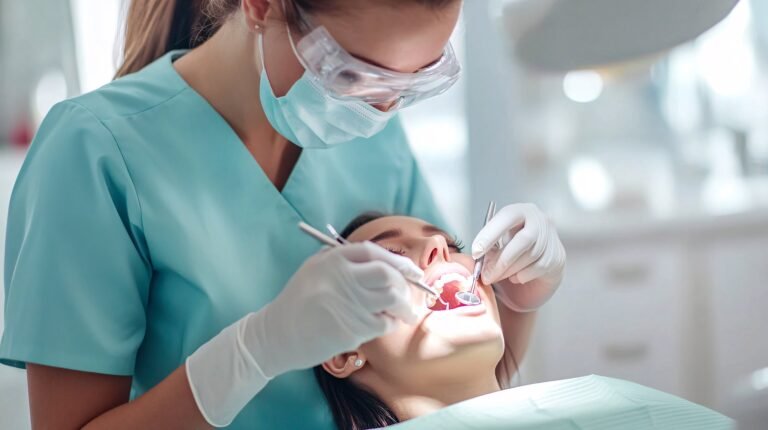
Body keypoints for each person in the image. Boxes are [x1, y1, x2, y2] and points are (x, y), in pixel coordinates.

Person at [0, 0, 565, 428]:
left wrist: (517, 300)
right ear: (262, 6)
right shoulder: (94, 152)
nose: (384, 109)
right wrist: (252, 351)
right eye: (359, 76)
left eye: (413, 82)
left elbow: (450, 380)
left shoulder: (373, 135)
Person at [314, 213, 734, 430]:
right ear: (342, 348)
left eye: (452, 243)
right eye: (390, 257)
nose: (438, 246)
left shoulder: (609, 400)